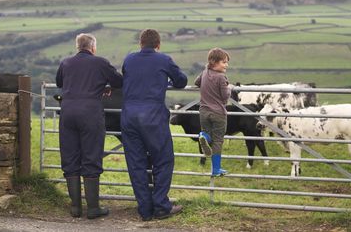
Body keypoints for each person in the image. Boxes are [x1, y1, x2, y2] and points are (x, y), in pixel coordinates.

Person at [120, 29, 188, 221]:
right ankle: (161, 206)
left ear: (140, 44)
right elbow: (181, 81)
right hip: (153, 118)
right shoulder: (163, 59)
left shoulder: (129, 59)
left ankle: (144, 210)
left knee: (136, 164)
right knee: (163, 160)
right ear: (158, 45)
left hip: (129, 117)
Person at [56, 33, 123, 219]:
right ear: (93, 48)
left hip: (68, 112)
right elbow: (119, 82)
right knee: (91, 156)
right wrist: (104, 86)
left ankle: (75, 208)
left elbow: (59, 82)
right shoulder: (100, 62)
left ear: (78, 47)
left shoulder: (66, 63)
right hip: (90, 114)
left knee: (70, 157)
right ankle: (93, 208)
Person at [194, 47, 231, 177]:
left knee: (208, 133)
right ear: (214, 62)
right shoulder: (221, 77)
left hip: (204, 111)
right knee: (218, 141)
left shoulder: (205, 72)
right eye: (224, 62)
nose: (226, 65)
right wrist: (229, 87)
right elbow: (225, 96)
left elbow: (196, 82)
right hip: (218, 113)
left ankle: (204, 136)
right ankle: (216, 169)